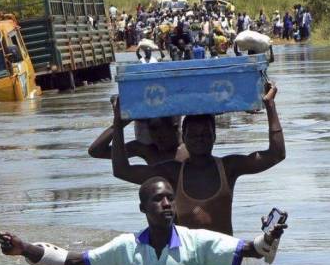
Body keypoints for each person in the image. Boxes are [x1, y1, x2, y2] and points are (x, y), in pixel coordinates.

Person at [0, 176, 288, 265]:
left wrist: (268, 238)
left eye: (170, 198)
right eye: (158, 199)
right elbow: (73, 263)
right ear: (142, 208)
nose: (166, 204)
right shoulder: (125, 248)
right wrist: (24, 248)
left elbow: (251, 250)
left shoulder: (197, 243)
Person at [111, 83, 285, 235]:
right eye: (193, 135)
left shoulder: (228, 167)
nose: (199, 139)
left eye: (205, 134)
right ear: (183, 138)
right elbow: (121, 170)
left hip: (224, 256)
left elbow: (276, 154)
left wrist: (270, 105)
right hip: (186, 258)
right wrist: (117, 124)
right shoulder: (172, 172)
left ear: (214, 136)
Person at [88, 115, 187, 165]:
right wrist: (120, 123)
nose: (157, 135)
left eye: (160, 128)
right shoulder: (149, 151)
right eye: (152, 129)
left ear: (174, 128)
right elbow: (96, 152)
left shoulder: (189, 148)